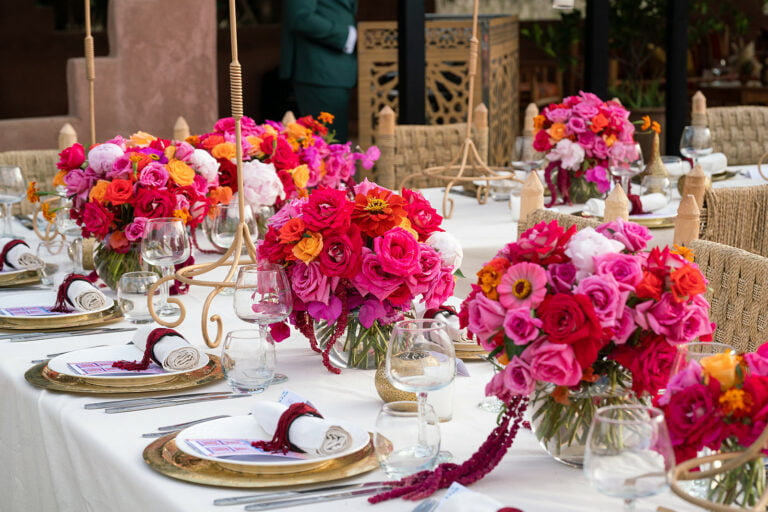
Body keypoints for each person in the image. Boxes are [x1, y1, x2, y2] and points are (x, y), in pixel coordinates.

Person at [280, 0, 357, 142]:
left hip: (339, 70)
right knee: (328, 146)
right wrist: (345, 35)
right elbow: (300, 17)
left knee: (336, 144)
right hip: (319, 70)